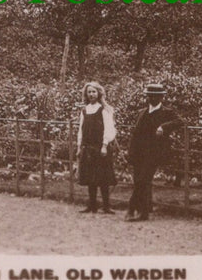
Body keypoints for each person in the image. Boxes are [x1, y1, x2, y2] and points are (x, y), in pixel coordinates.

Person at [125, 83, 183, 222]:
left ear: (162, 97)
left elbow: (181, 121)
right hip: (139, 152)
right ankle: (142, 210)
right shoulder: (142, 112)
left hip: (154, 153)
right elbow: (135, 134)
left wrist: (164, 127)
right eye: (150, 95)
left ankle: (133, 209)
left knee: (143, 180)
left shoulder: (167, 112)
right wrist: (130, 152)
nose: (152, 98)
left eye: (156, 96)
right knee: (139, 181)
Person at [75, 81, 117, 214]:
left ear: (99, 93)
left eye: (94, 92)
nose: (91, 94)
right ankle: (92, 205)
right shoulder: (84, 110)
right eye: (89, 92)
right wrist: (79, 147)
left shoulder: (104, 110)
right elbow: (81, 130)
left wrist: (104, 145)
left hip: (100, 147)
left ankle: (106, 206)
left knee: (103, 178)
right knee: (90, 178)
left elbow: (109, 129)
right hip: (88, 148)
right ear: (86, 94)